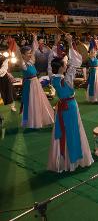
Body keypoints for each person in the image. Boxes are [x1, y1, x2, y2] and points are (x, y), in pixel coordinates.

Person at [47, 33, 93, 172]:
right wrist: (70, 41)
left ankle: (62, 161)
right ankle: (74, 160)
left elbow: (51, 61)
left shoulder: (52, 77)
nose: (67, 64)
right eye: (65, 64)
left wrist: (56, 44)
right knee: (74, 131)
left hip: (61, 107)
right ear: (62, 67)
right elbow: (76, 62)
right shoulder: (67, 79)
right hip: (71, 107)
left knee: (63, 131)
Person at [19, 33, 54, 129]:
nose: (30, 54)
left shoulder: (31, 62)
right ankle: (32, 121)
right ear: (22, 55)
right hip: (29, 85)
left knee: (38, 101)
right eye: (28, 53)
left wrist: (35, 39)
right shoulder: (23, 64)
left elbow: (34, 50)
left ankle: (40, 119)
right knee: (30, 102)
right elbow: (20, 56)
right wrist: (18, 49)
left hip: (35, 84)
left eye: (30, 53)